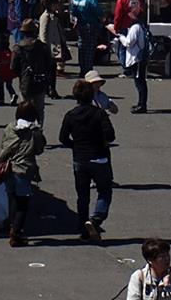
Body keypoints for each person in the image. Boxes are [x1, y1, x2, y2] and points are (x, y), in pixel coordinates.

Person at [59, 81, 115, 242]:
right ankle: (95, 220)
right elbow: (110, 135)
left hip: (80, 159)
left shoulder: (70, 115)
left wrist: (75, 146)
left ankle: (84, 230)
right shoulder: (99, 114)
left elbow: (63, 138)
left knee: (82, 196)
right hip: (99, 157)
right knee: (105, 191)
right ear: (91, 95)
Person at [0, 102, 45, 247]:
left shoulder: (10, 127)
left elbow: (4, 144)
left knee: (12, 199)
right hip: (23, 169)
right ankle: (16, 234)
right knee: (22, 203)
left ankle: (11, 226)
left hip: (8, 168)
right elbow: (39, 150)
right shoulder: (34, 131)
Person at [10, 19, 51, 126]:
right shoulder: (42, 46)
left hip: (25, 81)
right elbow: (50, 64)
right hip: (40, 81)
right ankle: (38, 129)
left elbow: (13, 67)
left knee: (25, 109)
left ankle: (26, 129)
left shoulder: (18, 48)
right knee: (39, 109)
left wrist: (22, 74)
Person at [118, 3, 149, 113]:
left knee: (139, 82)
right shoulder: (141, 26)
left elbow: (129, 42)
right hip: (140, 57)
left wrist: (121, 37)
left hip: (137, 58)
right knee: (140, 82)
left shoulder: (135, 27)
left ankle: (142, 105)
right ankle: (141, 103)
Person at [39, 0, 69, 95]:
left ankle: (51, 89)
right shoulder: (45, 16)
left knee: (52, 69)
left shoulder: (54, 15)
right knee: (49, 70)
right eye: (55, 4)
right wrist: (44, 47)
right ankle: (49, 89)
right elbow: (43, 33)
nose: (57, 6)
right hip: (49, 47)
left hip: (55, 45)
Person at [72, 0, 101, 77]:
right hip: (90, 25)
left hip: (80, 24)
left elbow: (73, 12)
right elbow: (99, 12)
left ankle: (82, 68)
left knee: (81, 46)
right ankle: (88, 69)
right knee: (90, 47)